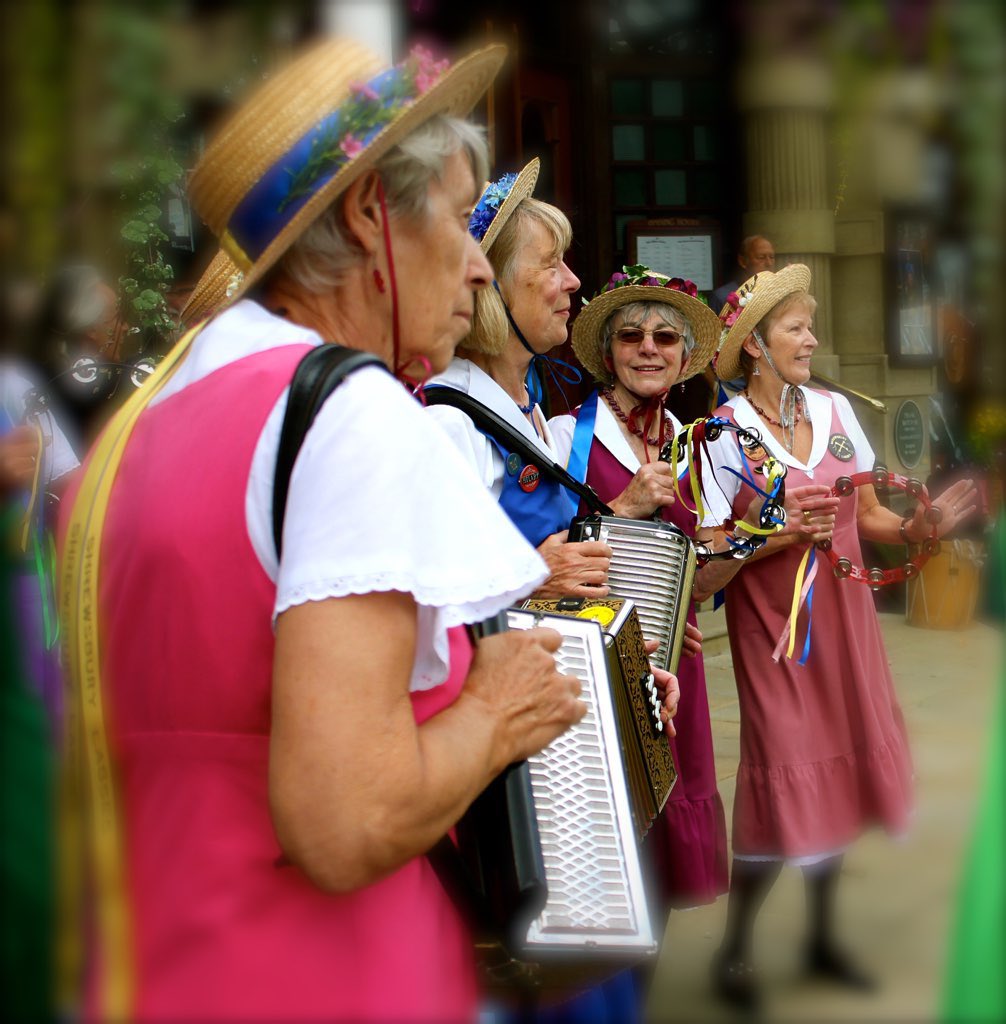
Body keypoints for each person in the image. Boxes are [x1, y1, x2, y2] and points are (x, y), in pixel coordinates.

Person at [56, 39, 648, 1023]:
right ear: (373, 213)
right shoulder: (349, 410)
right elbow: (349, 820)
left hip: (151, 968)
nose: (474, 270)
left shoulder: (136, 426)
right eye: (462, 220)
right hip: (327, 979)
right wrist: (497, 708)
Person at [703, 265, 977, 1011]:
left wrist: (916, 527)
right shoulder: (721, 439)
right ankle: (735, 949)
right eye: (796, 325)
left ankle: (821, 939)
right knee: (781, 770)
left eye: (811, 322)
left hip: (847, 629)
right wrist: (778, 532)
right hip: (776, 640)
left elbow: (870, 521)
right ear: (754, 344)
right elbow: (705, 565)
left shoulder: (833, 411)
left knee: (839, 771)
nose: (812, 338)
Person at [426, 158, 614, 600]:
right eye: (551, 264)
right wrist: (532, 579)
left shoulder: (526, 402)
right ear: (492, 288)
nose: (573, 280)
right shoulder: (449, 423)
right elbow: (430, 601)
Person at [709, 235, 776, 313]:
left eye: (772, 257)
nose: (769, 263)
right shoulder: (722, 297)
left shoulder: (778, 293)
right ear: (743, 261)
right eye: (761, 257)